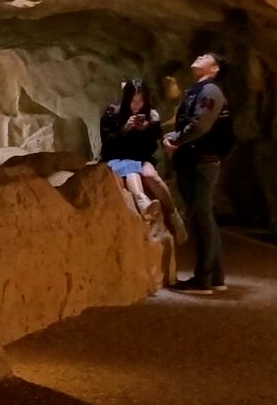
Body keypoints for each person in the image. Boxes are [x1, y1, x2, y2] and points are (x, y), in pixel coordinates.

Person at [163, 53, 231, 294]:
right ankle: (215, 277)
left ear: (214, 69)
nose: (199, 57)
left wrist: (178, 140)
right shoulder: (200, 90)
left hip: (201, 161)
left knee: (202, 218)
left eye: (206, 57)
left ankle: (202, 280)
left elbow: (201, 124)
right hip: (197, 159)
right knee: (205, 218)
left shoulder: (210, 91)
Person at [99, 79, 184, 241]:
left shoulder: (151, 116)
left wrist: (146, 130)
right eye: (133, 101)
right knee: (132, 170)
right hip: (117, 156)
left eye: (141, 101)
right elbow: (107, 142)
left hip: (141, 157)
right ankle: (143, 202)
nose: (137, 105)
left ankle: (174, 216)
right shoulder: (112, 113)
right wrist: (124, 129)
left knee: (151, 175)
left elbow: (152, 146)